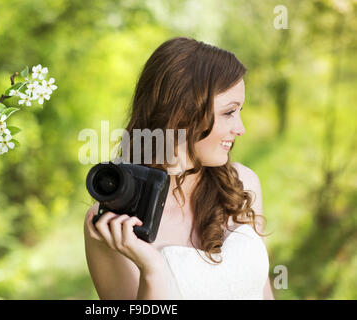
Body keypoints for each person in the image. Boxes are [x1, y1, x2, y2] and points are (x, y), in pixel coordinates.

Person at [84, 36, 274, 300]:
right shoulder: (114, 221)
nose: (240, 129)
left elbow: (263, 293)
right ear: (183, 113)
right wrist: (151, 270)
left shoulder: (243, 183)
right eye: (229, 112)